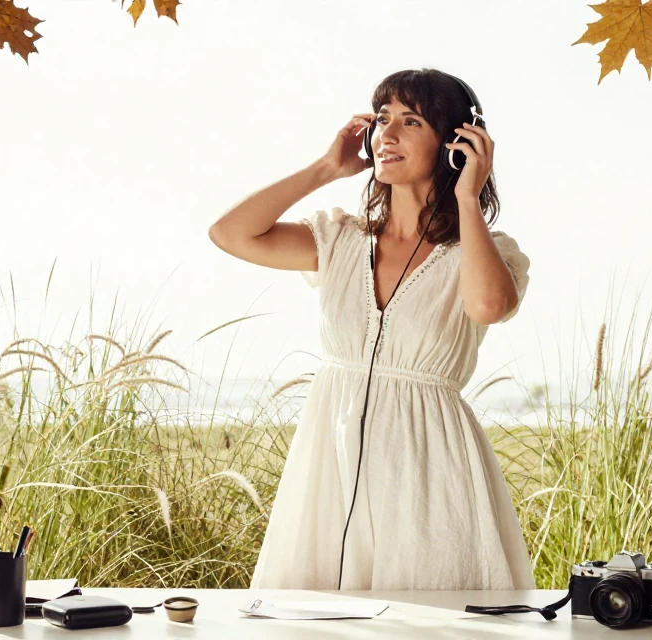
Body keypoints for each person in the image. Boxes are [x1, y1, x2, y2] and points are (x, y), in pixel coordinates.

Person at [208, 68, 535, 590]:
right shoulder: (338, 239)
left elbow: (489, 305)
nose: (388, 133)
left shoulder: (483, 250)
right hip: (329, 462)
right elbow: (229, 233)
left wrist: (467, 197)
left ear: (456, 144)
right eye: (382, 119)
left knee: (431, 620)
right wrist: (324, 169)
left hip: (429, 466)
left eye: (411, 121)